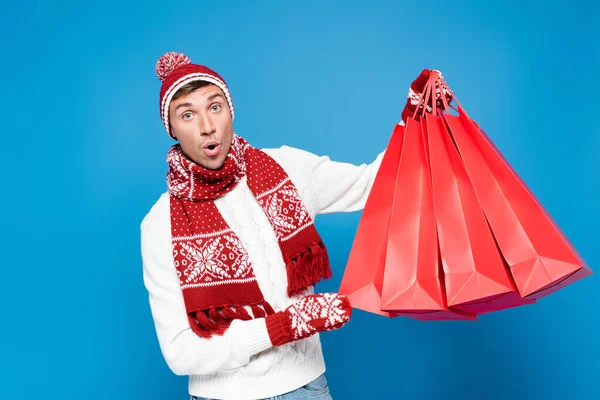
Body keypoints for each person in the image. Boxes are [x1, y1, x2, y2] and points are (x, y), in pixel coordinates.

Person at [140, 51, 447, 400]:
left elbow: (373, 184)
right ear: (173, 129)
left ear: (230, 112)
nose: (207, 126)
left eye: (215, 107)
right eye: (187, 115)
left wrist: (417, 120)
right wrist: (280, 327)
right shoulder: (159, 224)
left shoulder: (288, 169)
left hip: (304, 388)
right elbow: (180, 352)